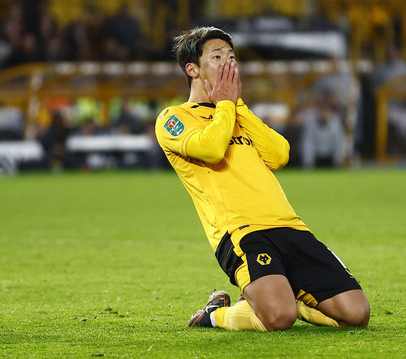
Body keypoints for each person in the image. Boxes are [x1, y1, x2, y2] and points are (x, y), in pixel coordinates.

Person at [154, 27, 370, 331]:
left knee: (356, 314)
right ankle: (215, 315)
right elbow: (212, 149)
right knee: (279, 318)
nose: (229, 64)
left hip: (289, 225)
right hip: (241, 232)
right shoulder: (173, 118)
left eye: (232, 57)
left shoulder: (238, 115)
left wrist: (236, 104)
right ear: (193, 69)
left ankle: (291, 298)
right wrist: (226, 104)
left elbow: (280, 154)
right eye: (217, 57)